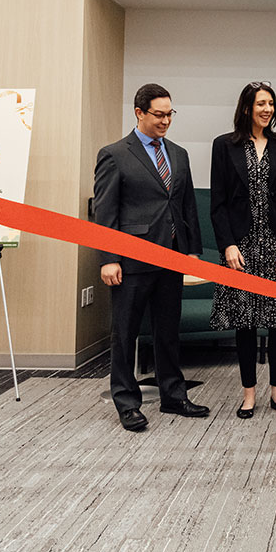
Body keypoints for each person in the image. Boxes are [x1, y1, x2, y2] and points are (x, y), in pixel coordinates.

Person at [93, 83, 208, 431]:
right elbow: (105, 211)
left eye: (170, 114)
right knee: (125, 334)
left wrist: (192, 252)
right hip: (131, 260)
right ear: (139, 113)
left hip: (172, 258)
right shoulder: (114, 154)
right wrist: (108, 258)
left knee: (167, 331)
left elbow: (186, 206)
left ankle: (174, 395)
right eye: (159, 114)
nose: (166, 121)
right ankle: (127, 403)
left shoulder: (179, 153)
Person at [209, 81, 276, 419]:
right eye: (261, 104)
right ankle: (249, 394)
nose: (267, 109)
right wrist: (227, 245)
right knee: (245, 322)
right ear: (247, 107)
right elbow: (218, 204)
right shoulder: (224, 146)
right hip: (242, 248)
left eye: (271, 104)